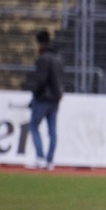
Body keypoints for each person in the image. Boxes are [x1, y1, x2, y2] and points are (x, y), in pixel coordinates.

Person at [26, 29, 65, 170]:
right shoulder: (58, 57)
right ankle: (50, 160)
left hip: (43, 98)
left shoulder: (43, 58)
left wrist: (35, 95)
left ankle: (40, 157)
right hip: (55, 98)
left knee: (33, 126)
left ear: (40, 43)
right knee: (52, 130)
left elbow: (41, 80)